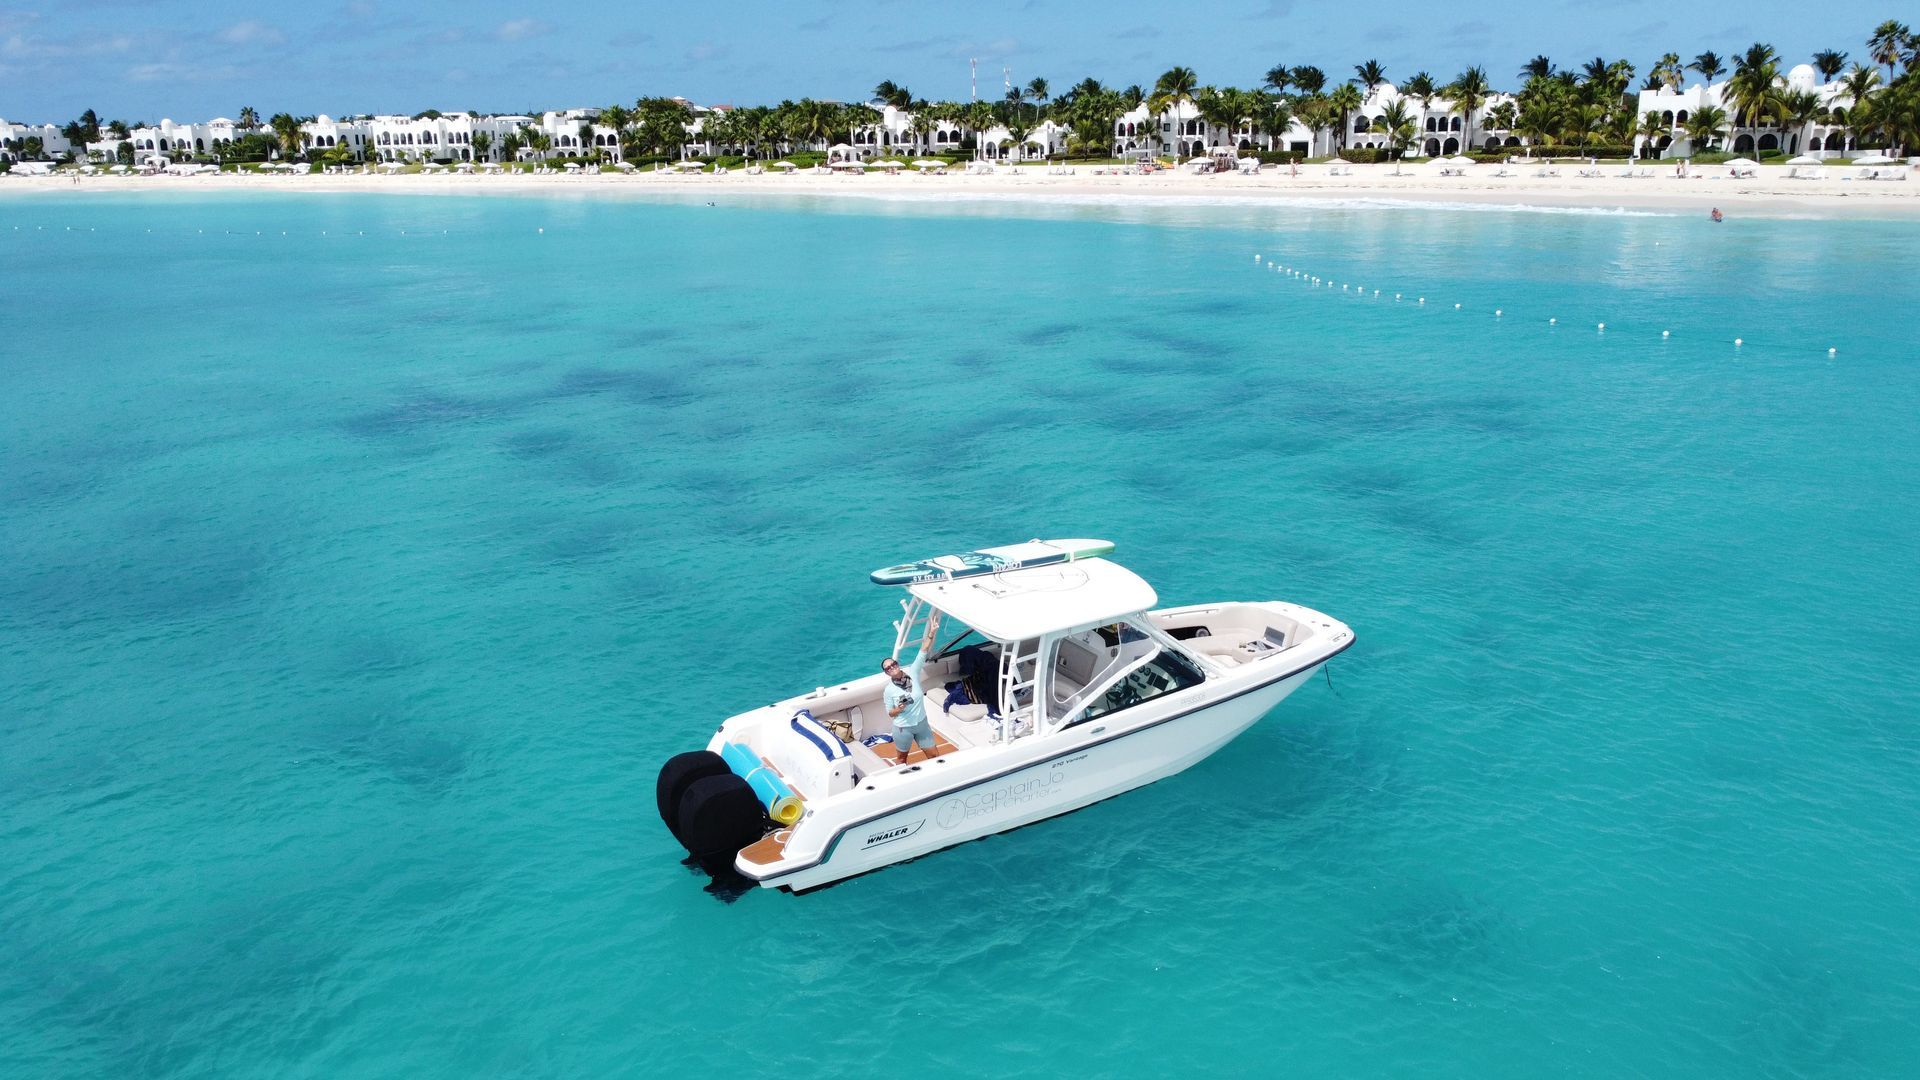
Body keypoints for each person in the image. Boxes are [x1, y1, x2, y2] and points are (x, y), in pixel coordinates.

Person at [882, 653, 937, 765]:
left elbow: (922, 653)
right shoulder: (889, 690)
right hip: (903, 728)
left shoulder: (913, 674)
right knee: (902, 760)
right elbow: (890, 713)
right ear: (887, 673)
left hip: (922, 724)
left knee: (934, 756)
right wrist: (899, 708)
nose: (892, 667)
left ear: (897, 664)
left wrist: (930, 635)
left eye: (893, 664)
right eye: (888, 668)